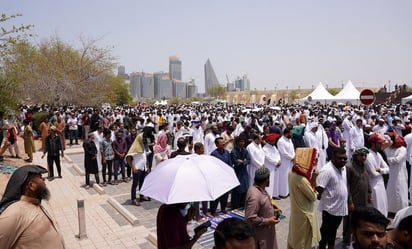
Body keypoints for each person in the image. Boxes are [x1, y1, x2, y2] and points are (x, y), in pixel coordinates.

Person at [0, 165, 65, 248]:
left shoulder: (35, 205)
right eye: (40, 178)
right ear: (31, 186)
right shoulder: (14, 213)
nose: (44, 179)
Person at [316, 148, 349, 249]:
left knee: (333, 229)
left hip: (339, 207)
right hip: (330, 208)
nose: (343, 161)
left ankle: (331, 246)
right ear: (333, 157)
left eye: (345, 159)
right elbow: (319, 188)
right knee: (325, 231)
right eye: (340, 158)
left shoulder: (343, 168)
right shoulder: (327, 170)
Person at [343, 147, 372, 246]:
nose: (364, 157)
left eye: (365, 155)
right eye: (361, 155)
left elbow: (367, 180)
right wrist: (350, 201)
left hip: (363, 199)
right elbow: (346, 185)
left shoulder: (364, 165)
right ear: (356, 156)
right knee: (350, 222)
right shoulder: (349, 167)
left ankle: (357, 240)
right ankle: (346, 241)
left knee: (362, 220)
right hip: (353, 200)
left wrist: (369, 193)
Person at [245, 167, 280, 249]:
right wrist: (268, 221)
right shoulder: (255, 196)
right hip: (261, 237)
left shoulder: (260, 189)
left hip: (267, 233)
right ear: (267, 180)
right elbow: (250, 218)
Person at [287, 163, 320, 249]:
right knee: (302, 244)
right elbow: (313, 196)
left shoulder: (291, 173)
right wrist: (314, 178)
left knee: (293, 239)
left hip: (296, 215)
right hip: (304, 217)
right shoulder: (301, 179)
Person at [365, 133, 389, 217]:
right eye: (379, 143)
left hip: (381, 183)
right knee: (375, 207)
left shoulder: (378, 154)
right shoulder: (368, 155)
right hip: (373, 185)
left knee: (383, 205)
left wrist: (380, 170)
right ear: (373, 143)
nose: (381, 144)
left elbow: (387, 169)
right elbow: (373, 173)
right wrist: (381, 170)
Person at [384, 131, 409, 215]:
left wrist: (386, 159)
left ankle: (400, 210)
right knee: (390, 190)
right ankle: (391, 209)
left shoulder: (402, 149)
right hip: (390, 173)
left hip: (399, 173)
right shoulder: (389, 148)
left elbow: (397, 160)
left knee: (399, 190)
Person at [126, 133, 149, 206]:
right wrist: (133, 167)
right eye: (143, 138)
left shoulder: (143, 146)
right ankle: (133, 199)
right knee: (135, 184)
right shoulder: (135, 147)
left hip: (143, 168)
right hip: (137, 169)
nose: (144, 139)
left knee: (142, 183)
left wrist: (147, 166)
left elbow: (145, 157)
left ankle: (141, 196)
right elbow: (128, 158)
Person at [210, 137, 231, 216]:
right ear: (216, 144)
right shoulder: (213, 154)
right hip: (217, 178)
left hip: (225, 177)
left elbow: (229, 164)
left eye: (223, 142)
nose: (223, 143)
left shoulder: (227, 153)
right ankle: (213, 211)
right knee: (216, 195)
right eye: (221, 142)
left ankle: (223, 208)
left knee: (225, 195)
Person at [231, 137, 250, 210]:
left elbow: (248, 160)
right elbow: (236, 163)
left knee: (245, 188)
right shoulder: (233, 151)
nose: (242, 143)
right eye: (241, 142)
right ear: (237, 142)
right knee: (237, 189)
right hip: (237, 172)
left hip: (244, 172)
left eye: (243, 142)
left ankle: (242, 204)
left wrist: (242, 161)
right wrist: (243, 161)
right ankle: (235, 205)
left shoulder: (245, 150)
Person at [277, 127, 295, 198]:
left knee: (290, 177)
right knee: (284, 177)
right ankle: (283, 193)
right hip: (284, 162)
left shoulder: (289, 140)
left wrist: (293, 157)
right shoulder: (281, 141)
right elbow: (284, 153)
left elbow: (292, 149)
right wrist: (291, 157)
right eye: (291, 133)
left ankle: (288, 191)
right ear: (287, 133)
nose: (292, 134)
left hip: (290, 162)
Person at [262, 133, 281, 199]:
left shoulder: (274, 147)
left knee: (275, 181)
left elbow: (278, 154)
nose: (274, 141)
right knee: (270, 182)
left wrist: (279, 160)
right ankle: (269, 196)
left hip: (276, 166)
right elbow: (268, 158)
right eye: (273, 141)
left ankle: (275, 194)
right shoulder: (265, 148)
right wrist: (276, 162)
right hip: (270, 167)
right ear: (269, 141)